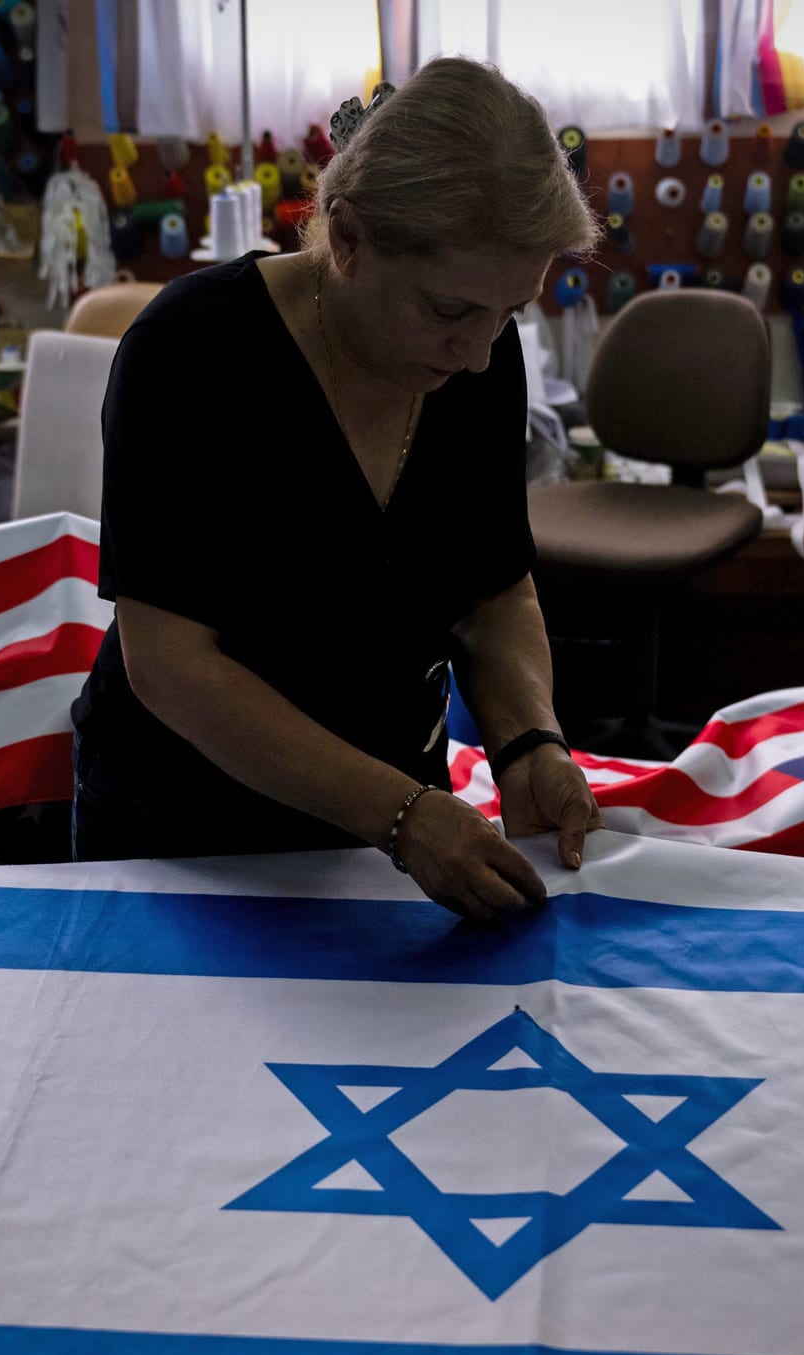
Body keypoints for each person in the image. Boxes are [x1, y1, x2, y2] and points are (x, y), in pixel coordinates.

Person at [68, 58, 601, 922]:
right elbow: (168, 662)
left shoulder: (481, 359)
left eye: (511, 312)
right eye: (450, 310)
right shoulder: (189, 352)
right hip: (186, 839)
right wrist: (398, 814)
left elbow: (493, 589)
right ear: (346, 237)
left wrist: (529, 739)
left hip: (392, 840)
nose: (478, 351)